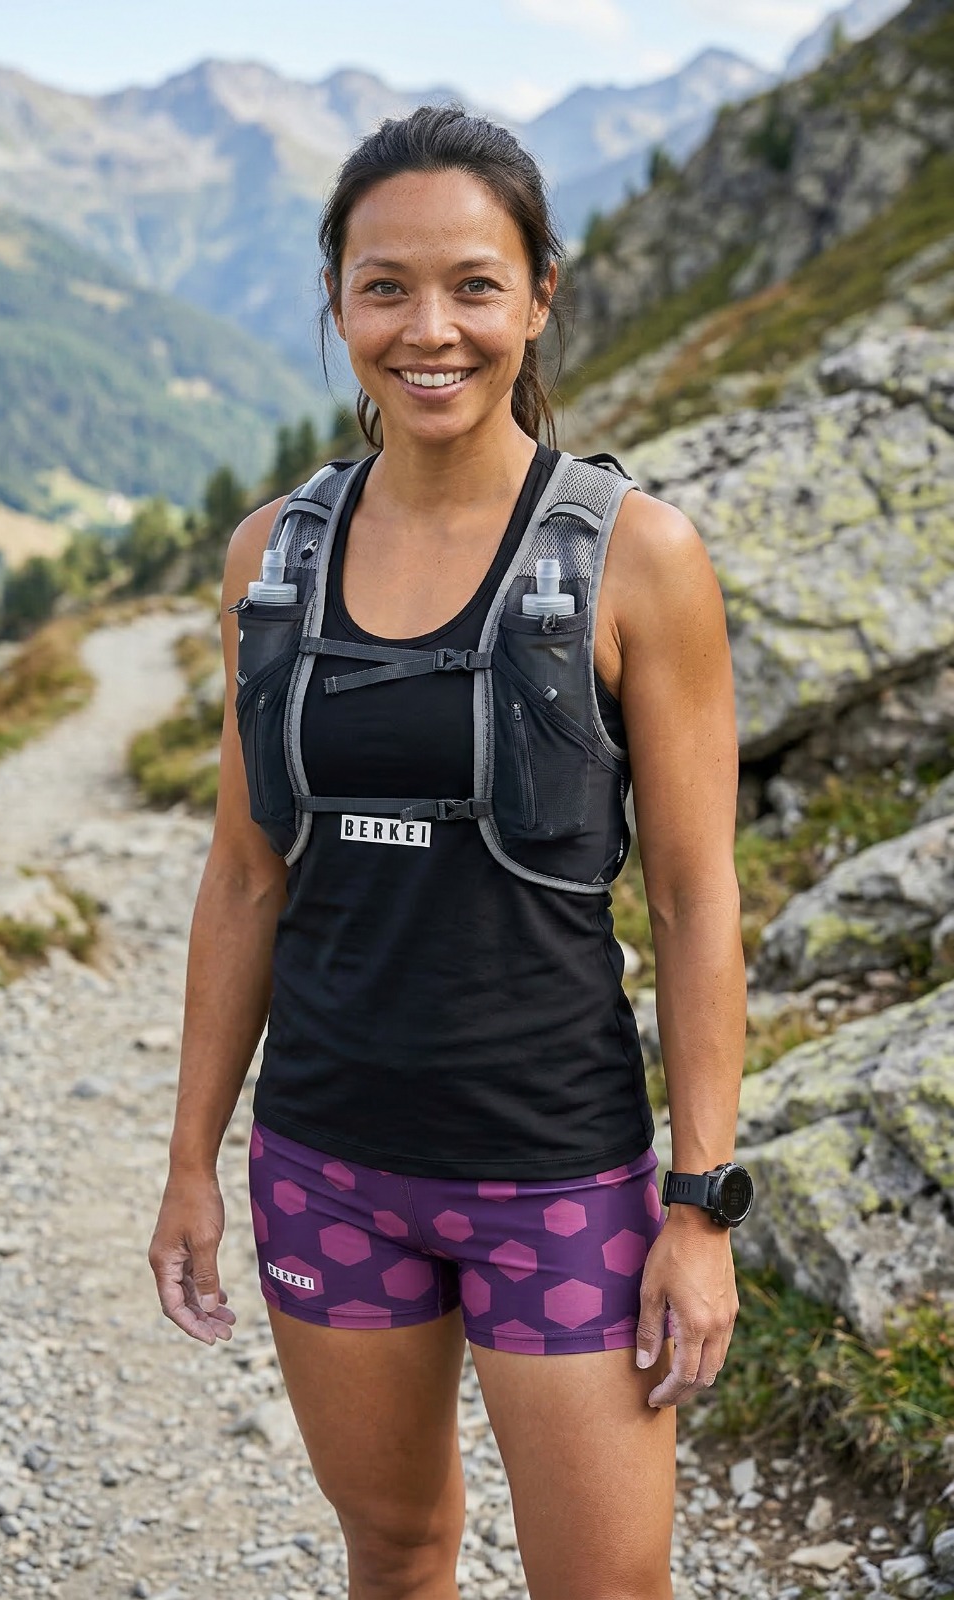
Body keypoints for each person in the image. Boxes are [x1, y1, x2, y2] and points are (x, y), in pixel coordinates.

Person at [149, 104, 746, 1600]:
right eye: (385, 286)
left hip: (555, 1179)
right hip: (324, 1164)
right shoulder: (269, 558)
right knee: (397, 1556)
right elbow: (242, 876)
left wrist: (700, 1206)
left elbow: (689, 898)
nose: (431, 329)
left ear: (539, 296)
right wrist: (190, 1164)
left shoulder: (634, 557)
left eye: (475, 285)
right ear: (338, 304)